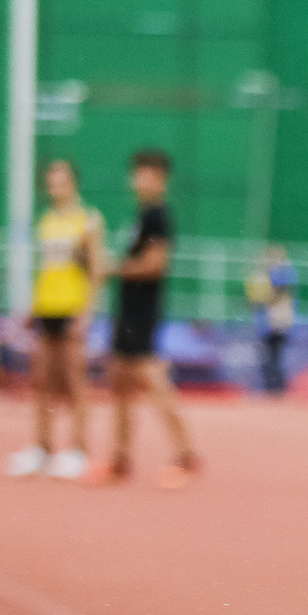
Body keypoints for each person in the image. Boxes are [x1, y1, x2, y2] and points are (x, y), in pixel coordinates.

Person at [97, 148, 199, 489]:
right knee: (121, 383)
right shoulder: (141, 215)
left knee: (154, 380)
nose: (142, 180)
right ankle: (120, 460)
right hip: (126, 310)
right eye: (138, 173)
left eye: (150, 174)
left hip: (143, 313)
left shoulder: (158, 215)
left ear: (162, 180)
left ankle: (187, 457)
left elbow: (157, 264)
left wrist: (113, 267)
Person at [5, 158, 103, 480]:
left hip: (71, 309)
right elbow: (47, 269)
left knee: (75, 382)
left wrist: (86, 313)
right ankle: (42, 448)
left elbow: (95, 271)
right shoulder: (46, 221)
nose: (54, 188)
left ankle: (78, 450)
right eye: (50, 182)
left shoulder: (87, 221)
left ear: (73, 183)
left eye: (60, 181)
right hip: (46, 309)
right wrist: (32, 308)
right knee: (42, 380)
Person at [246, 243, 296, 397]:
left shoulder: (283, 273)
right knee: (268, 356)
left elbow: (279, 294)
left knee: (274, 356)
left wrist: (261, 300)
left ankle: (276, 389)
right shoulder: (266, 275)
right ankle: (272, 389)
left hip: (277, 321)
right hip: (268, 322)